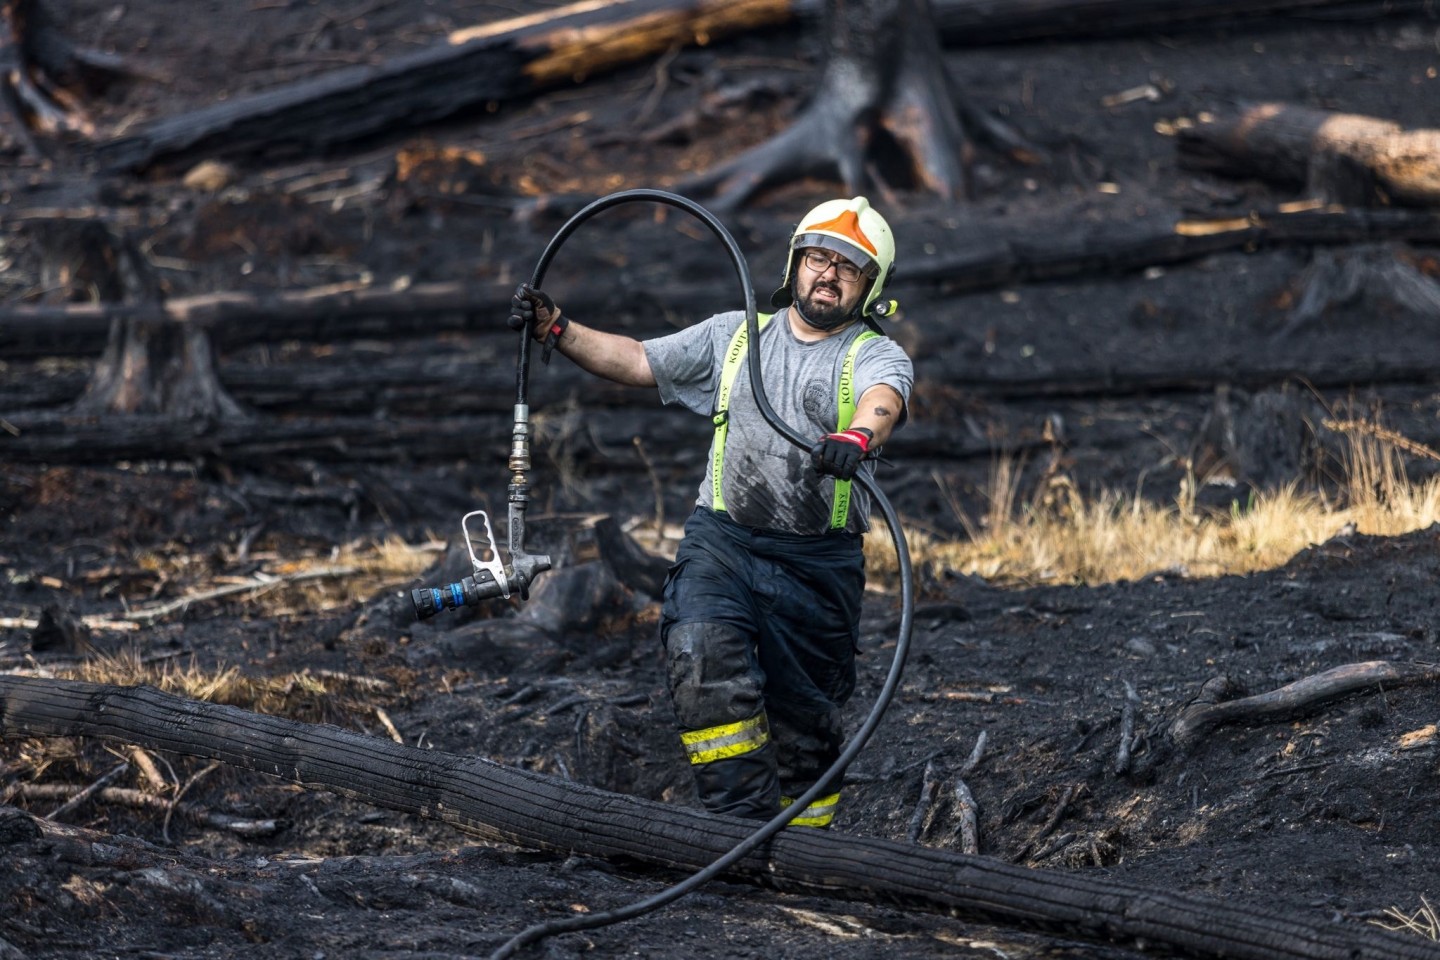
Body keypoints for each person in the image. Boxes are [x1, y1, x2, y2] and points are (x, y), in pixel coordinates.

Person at [509, 197, 913, 827]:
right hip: (722, 544)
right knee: (699, 653)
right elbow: (639, 360)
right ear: (795, 265)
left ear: (869, 287)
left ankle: (807, 847)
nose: (827, 275)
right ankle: (736, 829)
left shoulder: (872, 354)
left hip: (817, 564)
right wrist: (557, 329)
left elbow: (882, 401)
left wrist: (857, 436)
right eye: (817, 259)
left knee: (804, 726)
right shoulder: (734, 336)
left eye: (848, 268)